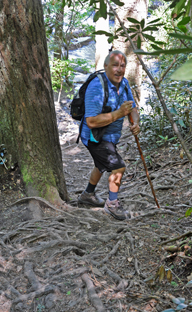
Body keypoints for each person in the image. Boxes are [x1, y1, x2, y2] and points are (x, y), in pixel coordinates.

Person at [78, 50, 140, 220]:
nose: (119, 69)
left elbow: (132, 107)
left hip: (110, 137)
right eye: (115, 65)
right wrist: (119, 114)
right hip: (94, 136)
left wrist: (136, 122)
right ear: (105, 66)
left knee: (101, 164)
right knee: (117, 167)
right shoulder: (97, 87)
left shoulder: (125, 84)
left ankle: (87, 195)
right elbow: (91, 121)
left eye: (122, 65)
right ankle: (112, 205)